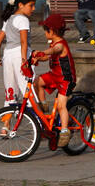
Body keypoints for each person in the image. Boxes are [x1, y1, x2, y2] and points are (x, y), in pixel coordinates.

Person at [31, 12, 76, 146]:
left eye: (46, 30)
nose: (45, 32)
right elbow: (47, 57)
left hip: (65, 79)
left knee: (62, 105)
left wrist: (43, 52)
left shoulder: (60, 44)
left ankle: (64, 131)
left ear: (53, 31)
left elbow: (54, 51)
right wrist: (38, 57)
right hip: (54, 75)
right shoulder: (53, 43)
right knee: (37, 82)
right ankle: (43, 105)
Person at [0, 0, 37, 104]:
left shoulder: (9, 18)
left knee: (11, 89)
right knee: (26, 86)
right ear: (21, 5)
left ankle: (7, 117)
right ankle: (34, 114)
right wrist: (24, 61)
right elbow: (23, 42)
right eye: (31, 5)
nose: (34, 9)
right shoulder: (23, 19)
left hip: (7, 55)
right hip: (20, 54)